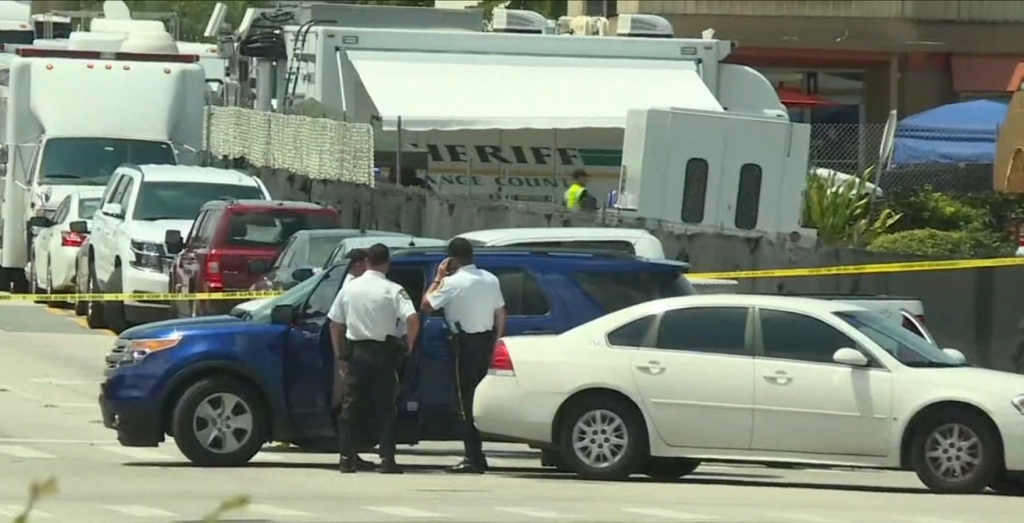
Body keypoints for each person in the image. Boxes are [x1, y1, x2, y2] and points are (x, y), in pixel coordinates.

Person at [328, 243, 420, 474]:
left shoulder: (349, 288)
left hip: (357, 353)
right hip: (384, 353)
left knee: (351, 407)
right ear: (387, 264)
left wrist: (341, 356)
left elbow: (335, 324)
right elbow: (412, 319)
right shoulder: (393, 289)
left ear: (367, 262)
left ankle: (346, 458)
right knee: (386, 407)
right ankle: (387, 460)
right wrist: (409, 345)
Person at [421, 238, 506, 474]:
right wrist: (495, 342)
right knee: (478, 398)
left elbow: (426, 304)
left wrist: (438, 277)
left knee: (465, 400)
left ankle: (472, 457)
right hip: (486, 342)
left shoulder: (451, 283)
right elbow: (500, 313)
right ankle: (478, 455)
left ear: (452, 260)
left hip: (464, 345)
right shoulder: (491, 279)